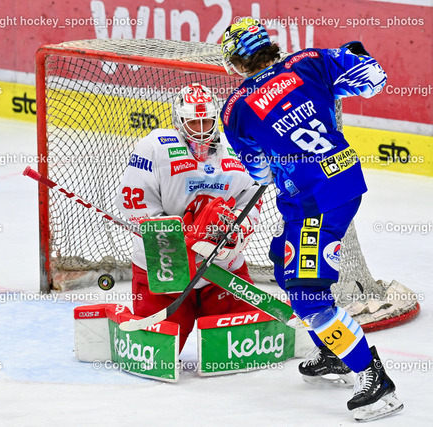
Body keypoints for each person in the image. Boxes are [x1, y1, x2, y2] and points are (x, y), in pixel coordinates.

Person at [219, 17, 402, 421]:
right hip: (342, 180)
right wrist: (353, 52)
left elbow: (259, 172)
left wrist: (280, 155)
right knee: (283, 261)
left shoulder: (235, 108)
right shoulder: (308, 61)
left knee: (308, 298)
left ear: (236, 61)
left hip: (314, 202)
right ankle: (333, 352)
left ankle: (374, 380)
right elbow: (373, 79)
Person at [115, 83, 263, 352]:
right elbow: (133, 204)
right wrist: (178, 235)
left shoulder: (235, 148)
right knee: (159, 353)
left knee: (236, 349)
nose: (202, 129)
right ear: (178, 121)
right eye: (193, 122)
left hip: (221, 266)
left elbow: (251, 197)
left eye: (207, 121)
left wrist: (238, 229)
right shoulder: (155, 148)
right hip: (165, 267)